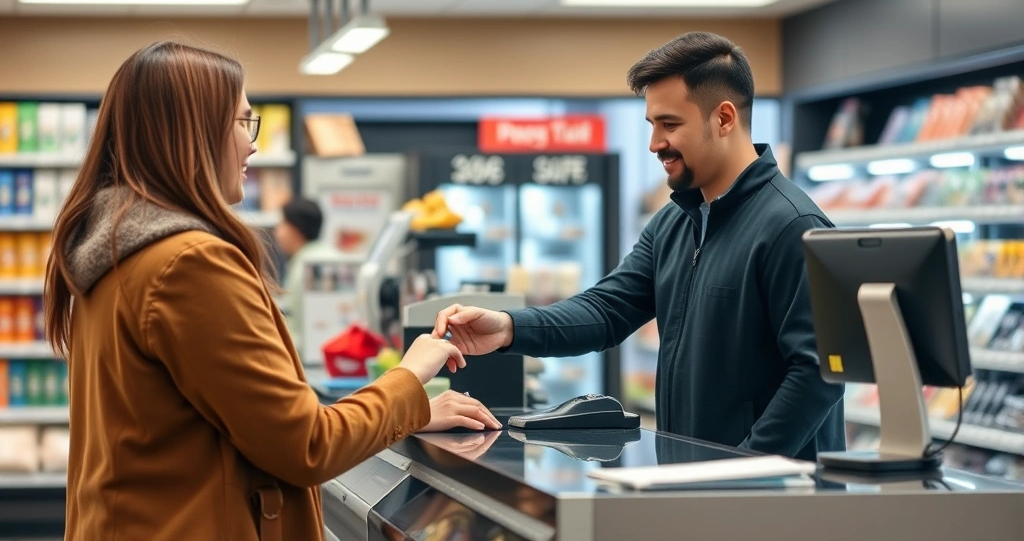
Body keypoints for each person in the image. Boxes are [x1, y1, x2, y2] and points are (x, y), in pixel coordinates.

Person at [43, 41, 500, 541]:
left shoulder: (113, 250)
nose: (252, 144)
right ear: (192, 132)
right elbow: (306, 445)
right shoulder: (189, 264)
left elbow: (226, 427)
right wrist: (410, 376)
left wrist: (408, 413)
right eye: (243, 123)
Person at [434, 31, 846, 461]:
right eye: (652, 126)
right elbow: (606, 310)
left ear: (724, 118)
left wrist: (745, 470)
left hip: (772, 501)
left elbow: (818, 372)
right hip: (698, 485)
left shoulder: (793, 226)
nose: (654, 144)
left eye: (670, 125)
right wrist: (507, 327)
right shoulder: (674, 223)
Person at [274, 197, 342, 353]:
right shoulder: (332, 255)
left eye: (283, 224)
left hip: (306, 355)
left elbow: (296, 323)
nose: (277, 232)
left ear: (296, 228)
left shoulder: (304, 266)